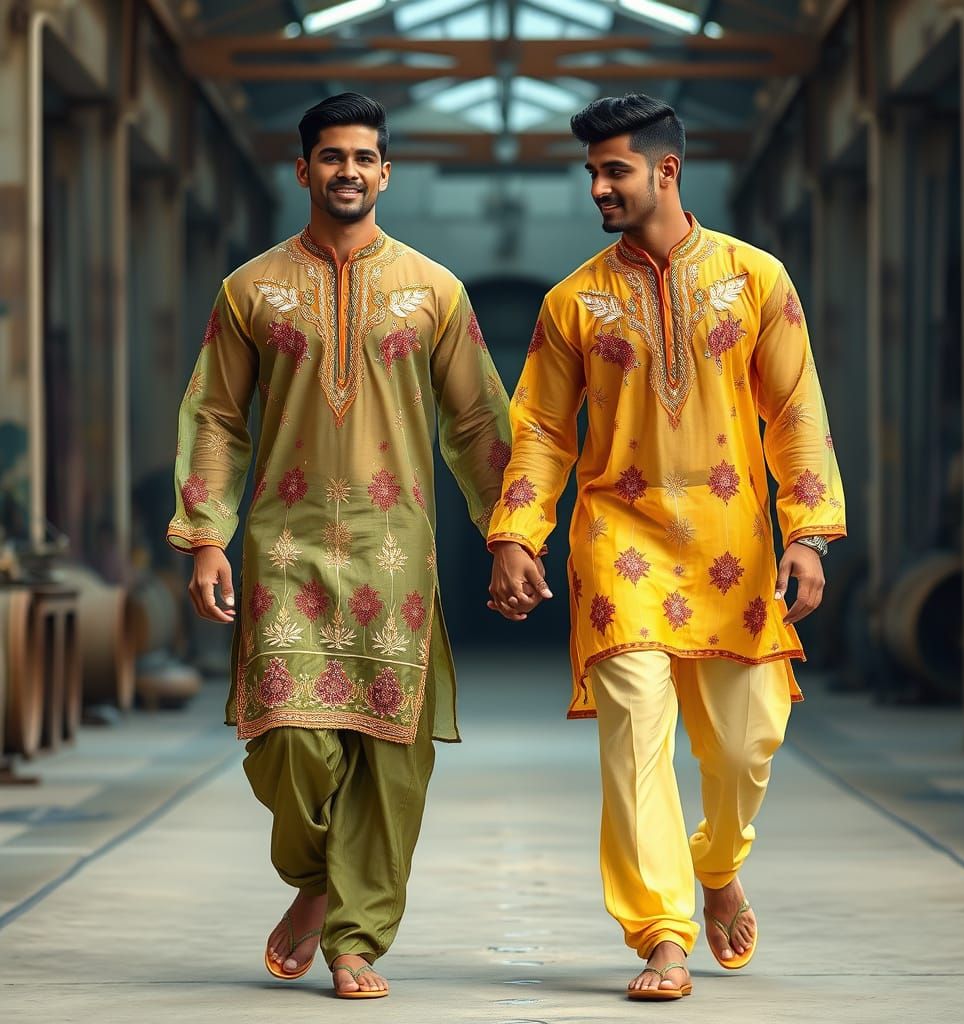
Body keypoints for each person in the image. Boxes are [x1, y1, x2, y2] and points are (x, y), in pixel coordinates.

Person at [487, 93, 846, 1002]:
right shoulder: (574, 301)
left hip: (734, 545)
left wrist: (807, 532)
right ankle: (662, 932)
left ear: (667, 170)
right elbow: (538, 430)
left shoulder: (756, 278)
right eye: (593, 173)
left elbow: (795, 413)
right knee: (637, 732)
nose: (599, 188)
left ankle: (717, 866)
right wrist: (518, 534)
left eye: (615, 171)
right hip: (619, 540)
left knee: (745, 744)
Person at [167, 92, 512, 999]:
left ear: (386, 171)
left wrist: (511, 533)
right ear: (303, 169)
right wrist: (207, 536)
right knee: (292, 744)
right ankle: (319, 880)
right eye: (331, 157)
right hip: (284, 552)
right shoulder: (251, 289)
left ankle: (356, 940)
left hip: (398, 552)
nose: (347, 171)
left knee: (389, 762)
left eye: (363, 157)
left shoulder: (436, 290)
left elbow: (478, 421)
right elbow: (215, 415)